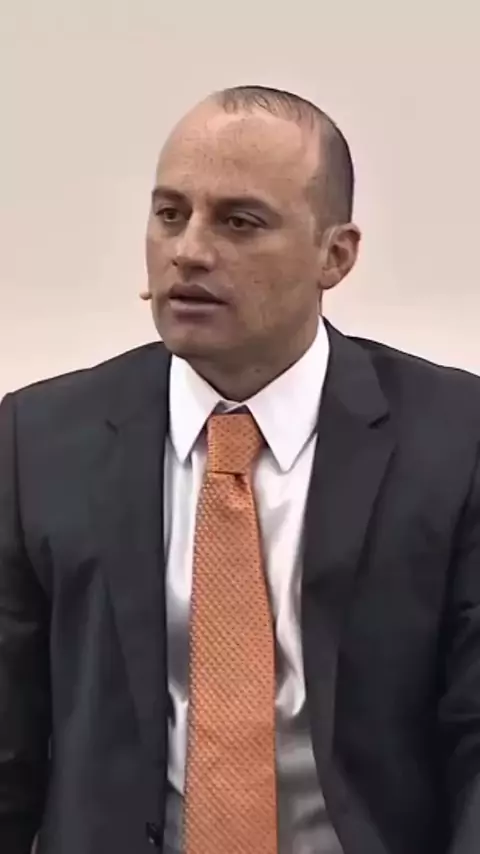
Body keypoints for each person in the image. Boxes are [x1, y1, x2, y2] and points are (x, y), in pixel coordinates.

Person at [1, 84, 480, 854]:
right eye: (170, 214)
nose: (188, 250)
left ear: (336, 255)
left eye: (239, 222)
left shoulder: (456, 441)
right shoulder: (38, 441)